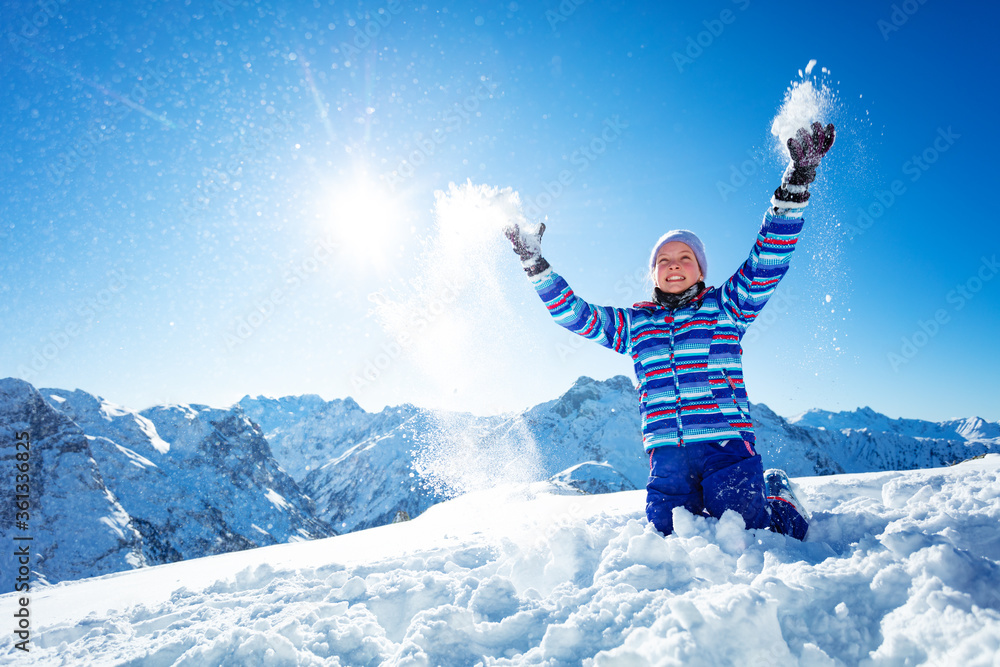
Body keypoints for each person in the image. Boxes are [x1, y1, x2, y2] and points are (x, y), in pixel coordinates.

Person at [504, 122, 835, 540]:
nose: (674, 264)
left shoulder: (727, 307)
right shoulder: (635, 325)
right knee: (667, 538)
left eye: (685, 257)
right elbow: (574, 314)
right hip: (667, 459)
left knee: (753, 534)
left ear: (700, 270)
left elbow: (769, 256)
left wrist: (796, 183)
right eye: (663, 260)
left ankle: (779, 497)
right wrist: (534, 264)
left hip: (727, 450)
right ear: (654, 275)